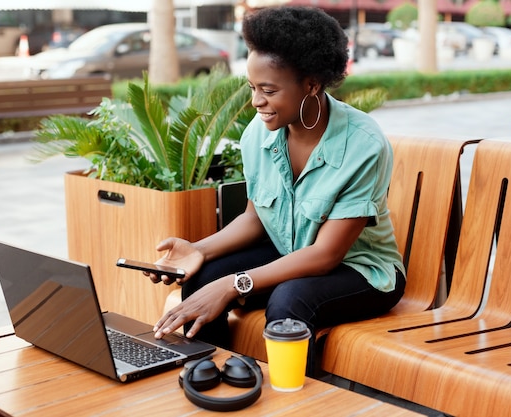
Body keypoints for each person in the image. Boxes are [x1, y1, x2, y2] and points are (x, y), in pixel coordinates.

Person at [147, 6, 406, 376]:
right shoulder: (259, 133)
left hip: (362, 272)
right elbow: (255, 218)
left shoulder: (362, 144)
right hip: (293, 252)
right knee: (202, 278)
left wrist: (234, 284)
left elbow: (326, 254)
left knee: (290, 300)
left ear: (312, 84)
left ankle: (294, 401)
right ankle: (212, 379)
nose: (256, 102)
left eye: (268, 90)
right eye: (252, 88)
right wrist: (198, 250)